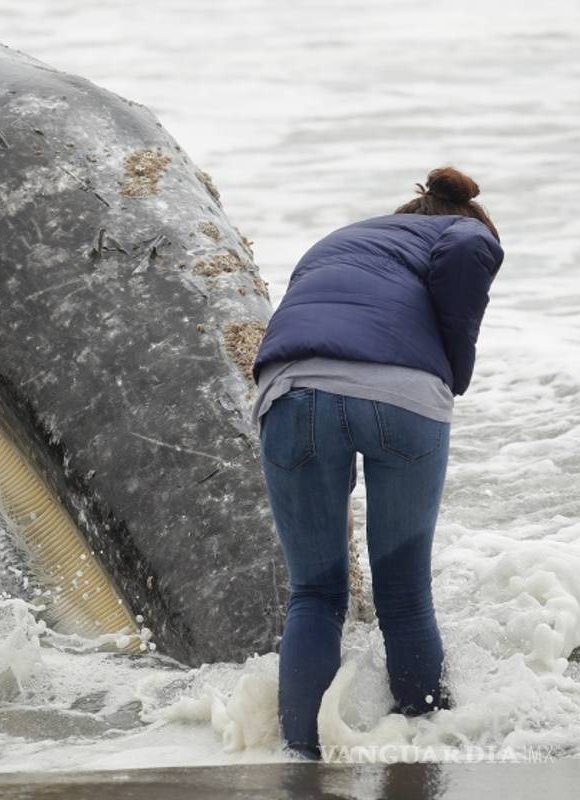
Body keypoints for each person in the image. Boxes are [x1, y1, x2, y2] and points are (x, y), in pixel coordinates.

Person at [251, 167, 504, 760]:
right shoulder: (460, 233)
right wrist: (456, 367)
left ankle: (301, 757)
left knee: (313, 592)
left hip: (292, 393)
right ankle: (425, 747)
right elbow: (471, 246)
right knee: (406, 596)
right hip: (402, 398)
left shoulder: (342, 240)